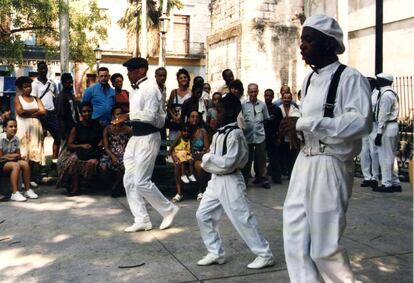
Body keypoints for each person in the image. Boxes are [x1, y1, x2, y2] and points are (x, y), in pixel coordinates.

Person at [282, 15, 372, 282]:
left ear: (329, 44)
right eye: (302, 40)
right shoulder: (309, 79)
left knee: (324, 248)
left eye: (308, 40)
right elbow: (308, 121)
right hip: (305, 161)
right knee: (295, 236)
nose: (302, 46)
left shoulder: (350, 78)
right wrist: (296, 132)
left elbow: (360, 122)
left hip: (330, 164)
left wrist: (306, 124)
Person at [196, 93, 274, 269]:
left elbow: (229, 163)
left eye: (221, 110)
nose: (217, 112)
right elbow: (219, 162)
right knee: (203, 214)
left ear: (231, 112)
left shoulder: (236, 134)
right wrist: (211, 162)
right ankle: (215, 251)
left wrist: (207, 160)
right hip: (216, 181)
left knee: (243, 217)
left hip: (231, 181)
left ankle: (264, 254)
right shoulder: (219, 133)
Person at [119, 57, 179, 233]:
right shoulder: (134, 90)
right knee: (129, 180)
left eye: (131, 70)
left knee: (141, 181)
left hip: (149, 137)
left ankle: (169, 210)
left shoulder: (151, 89)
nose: (128, 74)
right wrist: (129, 116)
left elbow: (152, 116)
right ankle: (142, 219)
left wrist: (127, 117)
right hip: (136, 138)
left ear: (142, 70)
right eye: (128, 70)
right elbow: (139, 114)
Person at [58, 102, 103, 196]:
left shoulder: (98, 124)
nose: (87, 113)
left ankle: (88, 185)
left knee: (92, 163)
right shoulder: (77, 127)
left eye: (89, 111)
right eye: (84, 111)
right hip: (81, 150)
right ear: (81, 113)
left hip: (94, 151)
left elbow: (104, 138)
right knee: (73, 160)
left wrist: (101, 143)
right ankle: (75, 187)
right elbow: (70, 145)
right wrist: (81, 146)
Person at [14, 76, 46, 188]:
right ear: (21, 88)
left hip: (35, 130)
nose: (28, 88)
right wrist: (35, 110)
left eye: (29, 86)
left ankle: (31, 177)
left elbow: (43, 111)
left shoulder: (36, 99)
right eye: (25, 87)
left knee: (33, 154)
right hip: (23, 129)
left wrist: (29, 112)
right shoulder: (18, 99)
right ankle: (23, 180)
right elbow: (20, 112)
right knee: (23, 154)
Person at [372, 73, 402, 193]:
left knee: (385, 157)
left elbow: (383, 116)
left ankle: (387, 183)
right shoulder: (391, 93)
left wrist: (379, 133)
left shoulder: (385, 95)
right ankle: (394, 181)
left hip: (387, 127)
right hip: (392, 126)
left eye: (379, 79)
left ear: (384, 81)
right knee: (391, 156)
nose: (377, 82)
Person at [0, 118, 38, 202]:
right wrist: (10, 156)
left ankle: (27, 190)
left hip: (9, 161)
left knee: (24, 164)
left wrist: (9, 156)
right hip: (1, 163)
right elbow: (1, 157)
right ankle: (15, 193)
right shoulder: (1, 139)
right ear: (5, 128)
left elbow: (18, 155)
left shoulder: (16, 139)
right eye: (11, 126)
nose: (14, 128)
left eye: (15, 126)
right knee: (15, 165)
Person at [241, 83, 270, 189]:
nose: (253, 93)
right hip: (247, 136)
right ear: (248, 92)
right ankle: (244, 180)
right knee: (247, 159)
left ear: (257, 92)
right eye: (251, 91)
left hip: (260, 136)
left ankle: (263, 179)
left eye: (255, 91)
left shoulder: (262, 105)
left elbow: (266, 118)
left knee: (261, 159)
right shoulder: (243, 104)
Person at [100, 105, 132, 197]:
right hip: (110, 152)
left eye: (121, 114)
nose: (120, 116)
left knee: (122, 163)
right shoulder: (108, 129)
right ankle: (111, 185)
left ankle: (117, 187)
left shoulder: (128, 129)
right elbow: (106, 146)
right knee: (102, 166)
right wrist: (112, 156)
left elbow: (132, 145)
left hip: (124, 153)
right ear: (113, 116)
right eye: (117, 114)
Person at [31, 61, 60, 161]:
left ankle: (54, 162)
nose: (43, 71)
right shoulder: (34, 84)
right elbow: (34, 100)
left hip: (52, 114)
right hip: (40, 115)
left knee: (58, 137)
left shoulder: (51, 83)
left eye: (45, 68)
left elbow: (55, 97)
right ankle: (39, 163)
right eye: (41, 69)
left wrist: (56, 111)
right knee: (39, 140)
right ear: (38, 70)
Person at [360, 77, 380, 189]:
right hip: (364, 125)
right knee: (364, 152)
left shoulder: (378, 94)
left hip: (374, 125)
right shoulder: (363, 94)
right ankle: (366, 176)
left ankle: (375, 176)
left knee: (374, 152)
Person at [170, 124, 197, 201]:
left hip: (186, 154)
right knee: (181, 162)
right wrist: (169, 153)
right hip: (179, 154)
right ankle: (183, 175)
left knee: (191, 160)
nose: (186, 133)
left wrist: (191, 154)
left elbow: (190, 148)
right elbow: (172, 146)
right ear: (181, 132)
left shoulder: (189, 140)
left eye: (188, 131)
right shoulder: (179, 138)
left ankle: (191, 174)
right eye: (184, 131)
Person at [166, 68, 192, 143]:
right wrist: (174, 117)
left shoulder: (191, 93)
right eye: (180, 78)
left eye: (185, 77)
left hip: (186, 126)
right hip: (174, 125)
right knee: (173, 145)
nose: (183, 79)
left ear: (188, 79)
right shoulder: (174, 92)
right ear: (178, 80)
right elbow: (169, 108)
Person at [279, 91, 301, 177]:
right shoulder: (278, 109)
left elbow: (296, 121)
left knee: (292, 156)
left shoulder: (295, 109)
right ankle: (283, 171)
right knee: (282, 155)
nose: (286, 100)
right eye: (285, 98)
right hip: (281, 136)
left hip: (292, 138)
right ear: (282, 98)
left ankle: (291, 173)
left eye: (288, 98)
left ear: (291, 99)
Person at [263, 88, 283, 184]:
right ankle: (261, 177)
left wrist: (279, 136)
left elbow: (280, 124)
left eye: (270, 96)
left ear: (273, 97)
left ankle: (276, 177)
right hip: (261, 136)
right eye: (266, 95)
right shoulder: (261, 108)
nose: (268, 97)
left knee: (274, 157)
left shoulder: (277, 110)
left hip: (273, 136)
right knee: (261, 158)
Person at [56, 73, 80, 143]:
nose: (71, 85)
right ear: (63, 83)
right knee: (65, 150)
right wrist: (64, 132)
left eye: (71, 82)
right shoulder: (61, 97)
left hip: (74, 127)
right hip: (67, 129)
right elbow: (60, 116)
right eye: (68, 83)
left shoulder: (71, 95)